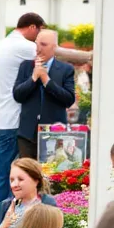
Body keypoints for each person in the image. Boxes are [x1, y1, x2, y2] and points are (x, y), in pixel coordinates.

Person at [0, 13, 46, 228]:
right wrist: (89, 55)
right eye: (40, 32)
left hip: (3, 118)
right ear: (32, 27)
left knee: (4, 175)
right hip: (13, 121)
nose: (40, 39)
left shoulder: (3, 44)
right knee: (8, 177)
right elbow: (51, 52)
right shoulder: (22, 46)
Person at [13, 29, 77, 161]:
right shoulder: (26, 66)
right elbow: (17, 95)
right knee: (28, 172)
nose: (38, 49)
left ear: (54, 47)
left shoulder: (66, 69)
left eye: (43, 44)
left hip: (54, 133)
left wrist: (46, 80)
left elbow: (69, 99)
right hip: (27, 134)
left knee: (51, 174)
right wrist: (33, 78)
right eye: (36, 44)